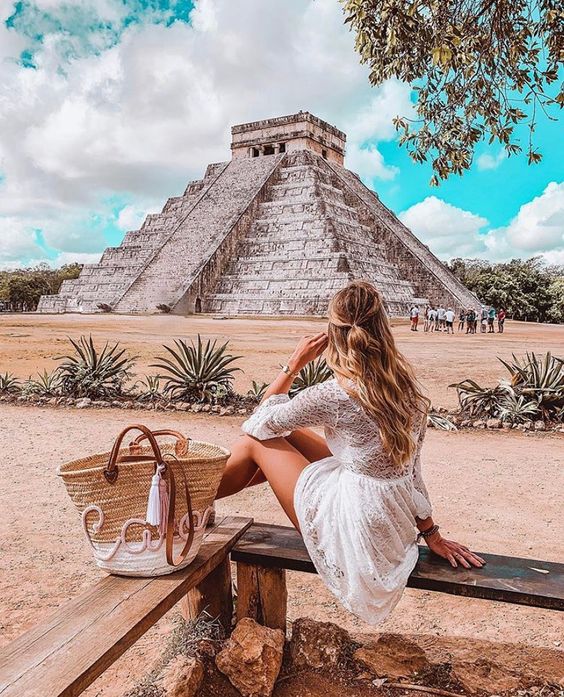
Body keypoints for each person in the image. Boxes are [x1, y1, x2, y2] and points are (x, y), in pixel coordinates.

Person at [216, 281, 483, 625]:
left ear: (334, 333)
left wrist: (293, 364)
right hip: (391, 522)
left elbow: (256, 423)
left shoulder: (333, 395)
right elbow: (412, 472)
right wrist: (432, 534)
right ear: (383, 329)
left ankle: (187, 501)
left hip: (355, 529)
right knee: (288, 433)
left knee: (252, 443)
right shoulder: (408, 390)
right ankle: (195, 501)